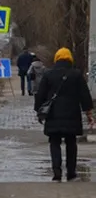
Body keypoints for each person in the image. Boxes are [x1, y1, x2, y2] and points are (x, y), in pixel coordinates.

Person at [34, 47, 94, 182]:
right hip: (72, 114)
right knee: (71, 143)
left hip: (53, 114)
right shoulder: (76, 75)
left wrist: (39, 111)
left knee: (54, 142)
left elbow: (40, 94)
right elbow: (85, 95)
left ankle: (57, 172)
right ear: (70, 59)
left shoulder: (48, 74)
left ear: (56, 58)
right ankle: (71, 173)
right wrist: (89, 113)